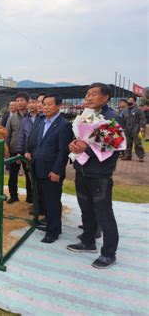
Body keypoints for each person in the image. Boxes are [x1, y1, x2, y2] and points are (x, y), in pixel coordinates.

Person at [67, 83, 120, 269]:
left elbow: (114, 144)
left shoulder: (111, 117)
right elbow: (81, 138)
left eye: (94, 94)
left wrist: (87, 149)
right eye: (87, 94)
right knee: (86, 208)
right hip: (82, 170)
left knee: (104, 213)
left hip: (100, 174)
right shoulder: (85, 115)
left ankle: (109, 253)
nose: (88, 97)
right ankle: (88, 242)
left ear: (105, 97)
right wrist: (74, 145)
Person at [25, 94, 72, 243]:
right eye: (44, 104)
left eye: (49, 104)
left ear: (59, 106)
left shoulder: (64, 125)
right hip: (38, 166)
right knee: (44, 199)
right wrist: (29, 153)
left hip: (52, 170)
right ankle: (48, 224)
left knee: (53, 201)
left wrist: (57, 171)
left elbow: (63, 151)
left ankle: (54, 231)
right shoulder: (41, 122)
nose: (45, 107)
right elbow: (38, 143)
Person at [6, 92, 31, 204]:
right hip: (13, 151)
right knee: (12, 175)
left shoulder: (32, 117)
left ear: (27, 101)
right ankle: (13, 195)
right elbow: (7, 135)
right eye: (18, 100)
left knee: (29, 175)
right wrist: (6, 150)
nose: (19, 103)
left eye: (22, 100)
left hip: (28, 152)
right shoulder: (12, 118)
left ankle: (30, 197)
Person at [16, 95, 39, 205]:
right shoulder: (25, 120)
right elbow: (21, 137)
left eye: (34, 102)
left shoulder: (43, 118)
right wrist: (20, 151)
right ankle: (31, 200)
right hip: (27, 153)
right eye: (30, 103)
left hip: (40, 154)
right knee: (29, 177)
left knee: (39, 179)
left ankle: (39, 203)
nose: (31, 105)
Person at [121, 95, 146, 162]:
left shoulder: (139, 110)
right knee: (127, 142)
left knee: (137, 142)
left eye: (131, 100)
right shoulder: (124, 110)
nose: (130, 101)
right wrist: (122, 127)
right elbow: (122, 119)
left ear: (134, 102)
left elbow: (142, 119)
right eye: (129, 100)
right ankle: (127, 156)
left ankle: (141, 156)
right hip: (126, 128)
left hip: (136, 128)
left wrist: (142, 127)